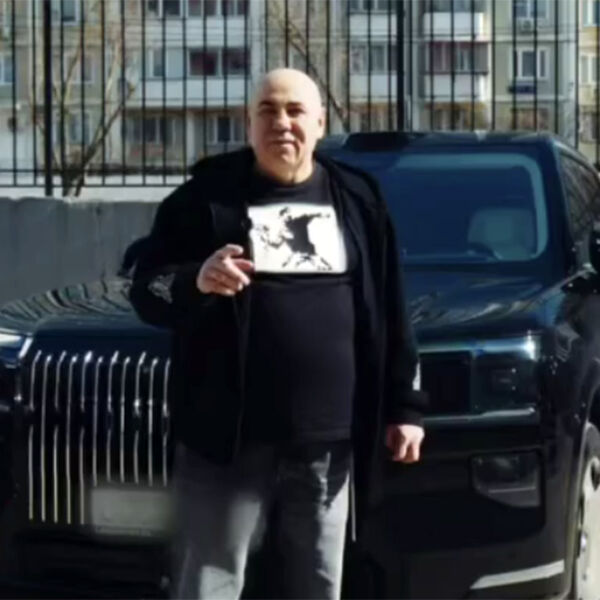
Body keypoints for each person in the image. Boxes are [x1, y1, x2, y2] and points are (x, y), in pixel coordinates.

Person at [127, 68, 427, 600]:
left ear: (320, 123)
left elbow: (390, 306)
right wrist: (196, 280)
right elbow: (147, 289)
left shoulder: (358, 199)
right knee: (210, 583)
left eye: (294, 111)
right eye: (267, 111)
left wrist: (405, 407)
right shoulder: (203, 201)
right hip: (228, 444)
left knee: (318, 583)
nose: (281, 122)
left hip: (328, 443)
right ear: (248, 124)